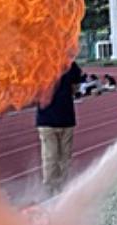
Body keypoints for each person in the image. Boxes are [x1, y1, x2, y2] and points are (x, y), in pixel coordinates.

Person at [35, 60, 83, 197]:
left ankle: (54, 191)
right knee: (61, 159)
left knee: (52, 158)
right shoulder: (69, 64)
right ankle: (57, 191)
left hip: (50, 119)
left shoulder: (39, 64)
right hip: (62, 118)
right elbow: (75, 87)